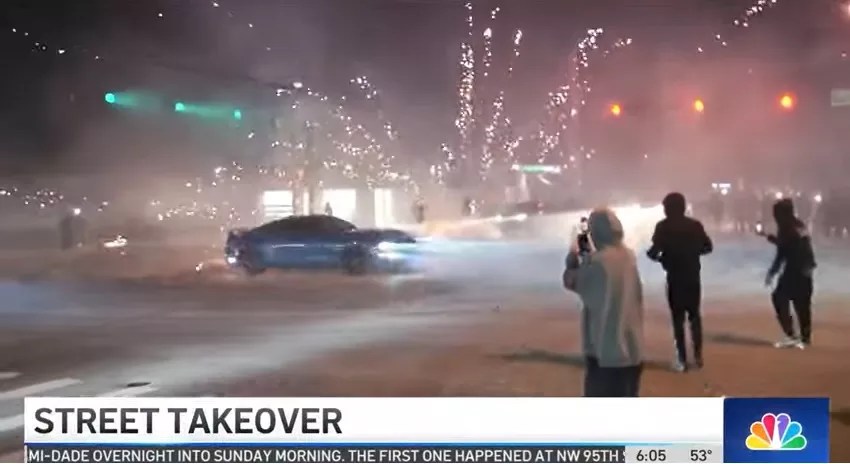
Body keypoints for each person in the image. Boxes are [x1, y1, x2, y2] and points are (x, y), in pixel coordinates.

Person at [563, 208, 644, 397]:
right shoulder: (629, 257)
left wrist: (573, 257)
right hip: (632, 349)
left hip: (605, 352)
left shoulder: (597, 262)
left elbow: (571, 281)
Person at [647, 192, 713, 372]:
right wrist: (692, 253)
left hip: (674, 278)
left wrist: (663, 259)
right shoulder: (695, 225)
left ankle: (682, 358)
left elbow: (652, 253)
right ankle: (698, 356)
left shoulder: (663, 227)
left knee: (677, 320)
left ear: (668, 208)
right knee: (694, 316)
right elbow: (708, 247)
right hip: (693, 276)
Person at [761, 198, 816, 349]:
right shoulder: (799, 225)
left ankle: (791, 333)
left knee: (779, 297)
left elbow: (782, 253)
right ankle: (805, 337)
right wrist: (769, 237)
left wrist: (771, 273)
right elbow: (789, 244)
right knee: (803, 304)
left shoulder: (786, 228)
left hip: (794, 269)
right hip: (806, 268)